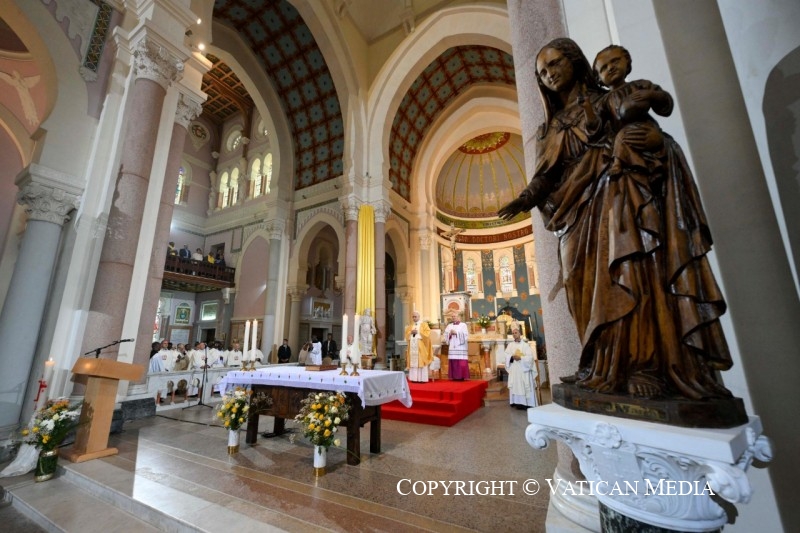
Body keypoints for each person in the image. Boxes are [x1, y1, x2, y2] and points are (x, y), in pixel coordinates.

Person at [498, 38, 731, 400]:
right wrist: (524, 199)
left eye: (556, 64)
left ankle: (642, 366)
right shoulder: (552, 127)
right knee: (579, 282)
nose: (549, 74)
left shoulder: (605, 99)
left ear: (575, 62)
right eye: (542, 72)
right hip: (574, 213)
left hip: (614, 197)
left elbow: (647, 130)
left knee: (625, 273)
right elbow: (547, 175)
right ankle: (597, 367)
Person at [591, 44, 672, 178]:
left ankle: (652, 168)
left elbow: (666, 104)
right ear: (599, 78)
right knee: (620, 138)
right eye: (604, 68)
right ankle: (627, 165)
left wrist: (651, 95)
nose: (610, 68)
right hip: (623, 137)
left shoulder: (640, 85)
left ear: (627, 61)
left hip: (647, 129)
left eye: (615, 61)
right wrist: (587, 108)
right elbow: (596, 125)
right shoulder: (604, 101)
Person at [504, 325, 538, 409]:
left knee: (524, 385)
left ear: (520, 334)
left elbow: (530, 358)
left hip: (524, 369)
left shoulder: (525, 345)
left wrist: (521, 358)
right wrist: (511, 357)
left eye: (516, 333)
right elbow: (506, 356)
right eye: (513, 333)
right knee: (516, 385)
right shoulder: (510, 345)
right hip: (515, 369)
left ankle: (527, 403)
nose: (514, 334)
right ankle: (517, 403)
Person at [405, 311, 432, 383]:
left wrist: (418, 332)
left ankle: (422, 379)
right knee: (413, 362)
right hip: (412, 346)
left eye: (415, 316)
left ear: (419, 317)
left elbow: (427, 334)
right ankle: (414, 379)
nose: (414, 318)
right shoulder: (410, 326)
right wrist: (411, 332)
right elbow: (406, 335)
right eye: (413, 317)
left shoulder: (424, 325)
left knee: (421, 361)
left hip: (421, 346)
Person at [443, 310, 469, 380]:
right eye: (452, 316)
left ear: (458, 317)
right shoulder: (449, 326)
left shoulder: (463, 325)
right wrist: (449, 334)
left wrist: (456, 333)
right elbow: (445, 335)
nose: (453, 317)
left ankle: (461, 376)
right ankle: (454, 376)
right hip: (452, 346)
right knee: (453, 361)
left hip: (460, 347)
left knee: (461, 362)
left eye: (455, 316)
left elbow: (466, 335)